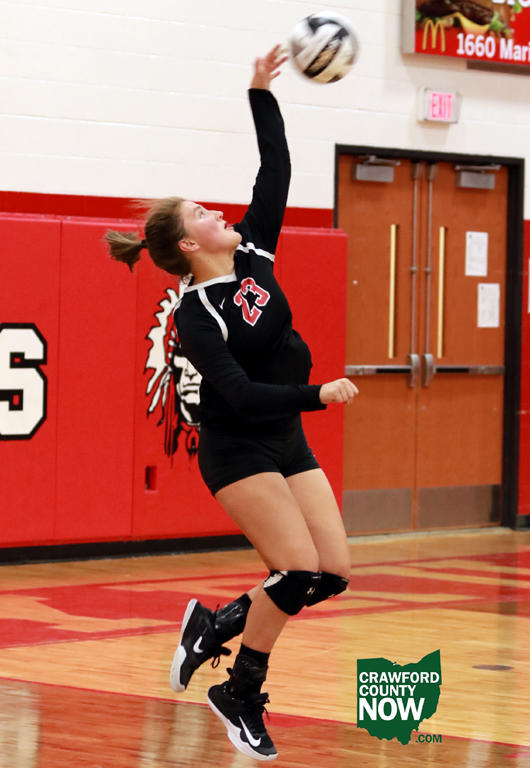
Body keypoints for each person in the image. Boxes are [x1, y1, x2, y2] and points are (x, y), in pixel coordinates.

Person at [105, 45, 358, 762]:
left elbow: (275, 168)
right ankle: (240, 692)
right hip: (238, 446)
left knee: (331, 574)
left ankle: (214, 626)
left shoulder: (254, 255)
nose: (219, 212)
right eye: (203, 213)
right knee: (296, 571)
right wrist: (318, 392)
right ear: (190, 243)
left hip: (285, 437)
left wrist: (259, 92)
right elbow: (239, 394)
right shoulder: (195, 315)